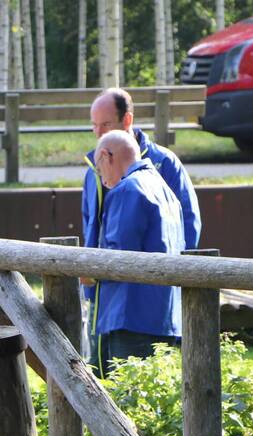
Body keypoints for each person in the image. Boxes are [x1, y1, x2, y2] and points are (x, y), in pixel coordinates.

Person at [86, 130, 185, 378]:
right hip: (165, 318)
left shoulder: (126, 190)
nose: (103, 179)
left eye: (99, 169)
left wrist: (86, 272)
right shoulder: (167, 192)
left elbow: (116, 257)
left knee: (122, 402)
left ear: (106, 156)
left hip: (129, 316)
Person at [83, 87, 201, 253]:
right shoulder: (93, 168)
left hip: (148, 273)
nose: (99, 133)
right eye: (94, 125)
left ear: (127, 120)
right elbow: (90, 223)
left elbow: (188, 220)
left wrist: (180, 270)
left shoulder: (164, 162)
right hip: (105, 273)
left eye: (106, 124)